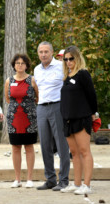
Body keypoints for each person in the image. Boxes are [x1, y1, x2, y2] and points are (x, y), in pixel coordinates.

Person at [59, 46, 98, 195]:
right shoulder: (66, 77)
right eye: (66, 59)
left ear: (77, 58)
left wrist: (94, 112)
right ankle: (76, 184)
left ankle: (86, 185)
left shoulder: (83, 74)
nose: (68, 62)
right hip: (67, 119)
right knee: (74, 153)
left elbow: (92, 95)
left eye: (71, 58)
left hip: (82, 118)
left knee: (84, 151)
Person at [34, 41, 70, 191]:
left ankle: (64, 179)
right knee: (45, 145)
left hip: (57, 106)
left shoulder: (61, 66)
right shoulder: (36, 69)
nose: (43, 54)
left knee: (61, 145)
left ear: (52, 52)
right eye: (41, 52)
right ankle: (50, 179)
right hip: (41, 108)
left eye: (46, 51)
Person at [4, 54, 38, 189]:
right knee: (15, 147)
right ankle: (17, 179)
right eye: (17, 63)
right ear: (14, 65)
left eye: (22, 63)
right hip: (14, 118)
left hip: (29, 117)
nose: (20, 65)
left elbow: (38, 97)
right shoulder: (9, 80)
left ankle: (29, 179)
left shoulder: (32, 80)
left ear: (26, 65)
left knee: (29, 147)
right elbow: (8, 99)